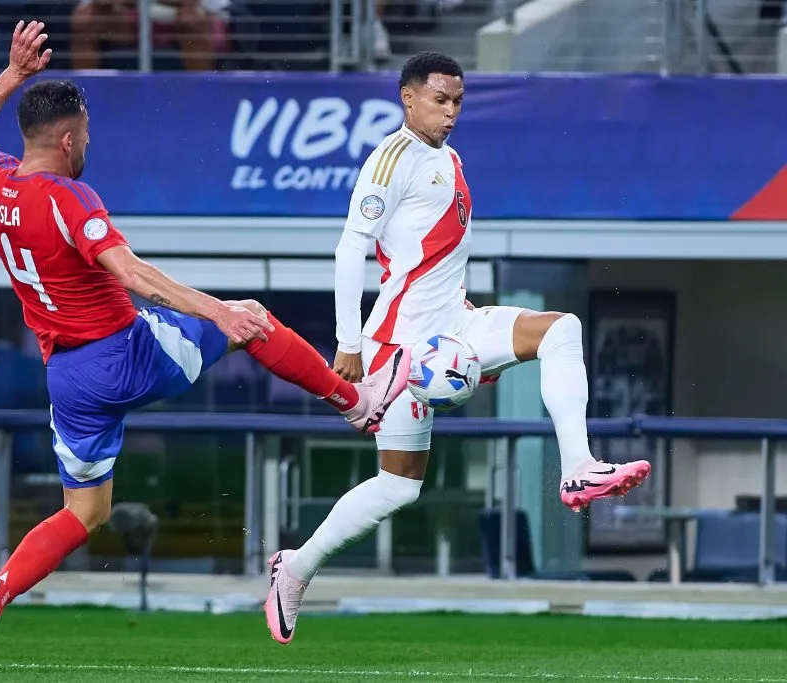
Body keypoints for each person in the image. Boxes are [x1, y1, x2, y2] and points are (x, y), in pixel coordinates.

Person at [0, 21, 411, 677]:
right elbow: (132, 274)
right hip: (124, 354)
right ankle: (356, 401)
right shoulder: (69, 198)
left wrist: (12, 76)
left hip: (67, 378)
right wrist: (220, 311)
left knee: (86, 510)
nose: (87, 148)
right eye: (86, 139)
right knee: (251, 315)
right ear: (70, 138)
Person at [263, 51, 653, 645]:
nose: (450, 112)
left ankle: (577, 469)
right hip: (397, 345)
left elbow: (438, 257)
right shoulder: (390, 160)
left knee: (561, 328)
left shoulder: (449, 158)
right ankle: (296, 568)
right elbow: (350, 249)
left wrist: (471, 323)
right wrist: (347, 343)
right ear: (408, 98)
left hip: (453, 327)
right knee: (399, 484)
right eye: (440, 100)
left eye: (458, 102)